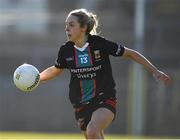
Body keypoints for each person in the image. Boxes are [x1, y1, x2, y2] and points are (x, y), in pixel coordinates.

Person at [40, 9, 172, 139]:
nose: (67, 28)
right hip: (81, 103)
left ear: (84, 27)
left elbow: (130, 53)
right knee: (93, 136)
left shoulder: (99, 44)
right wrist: (37, 79)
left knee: (92, 131)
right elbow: (55, 70)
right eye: (66, 25)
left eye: (71, 25)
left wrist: (155, 71)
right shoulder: (65, 50)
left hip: (104, 98)